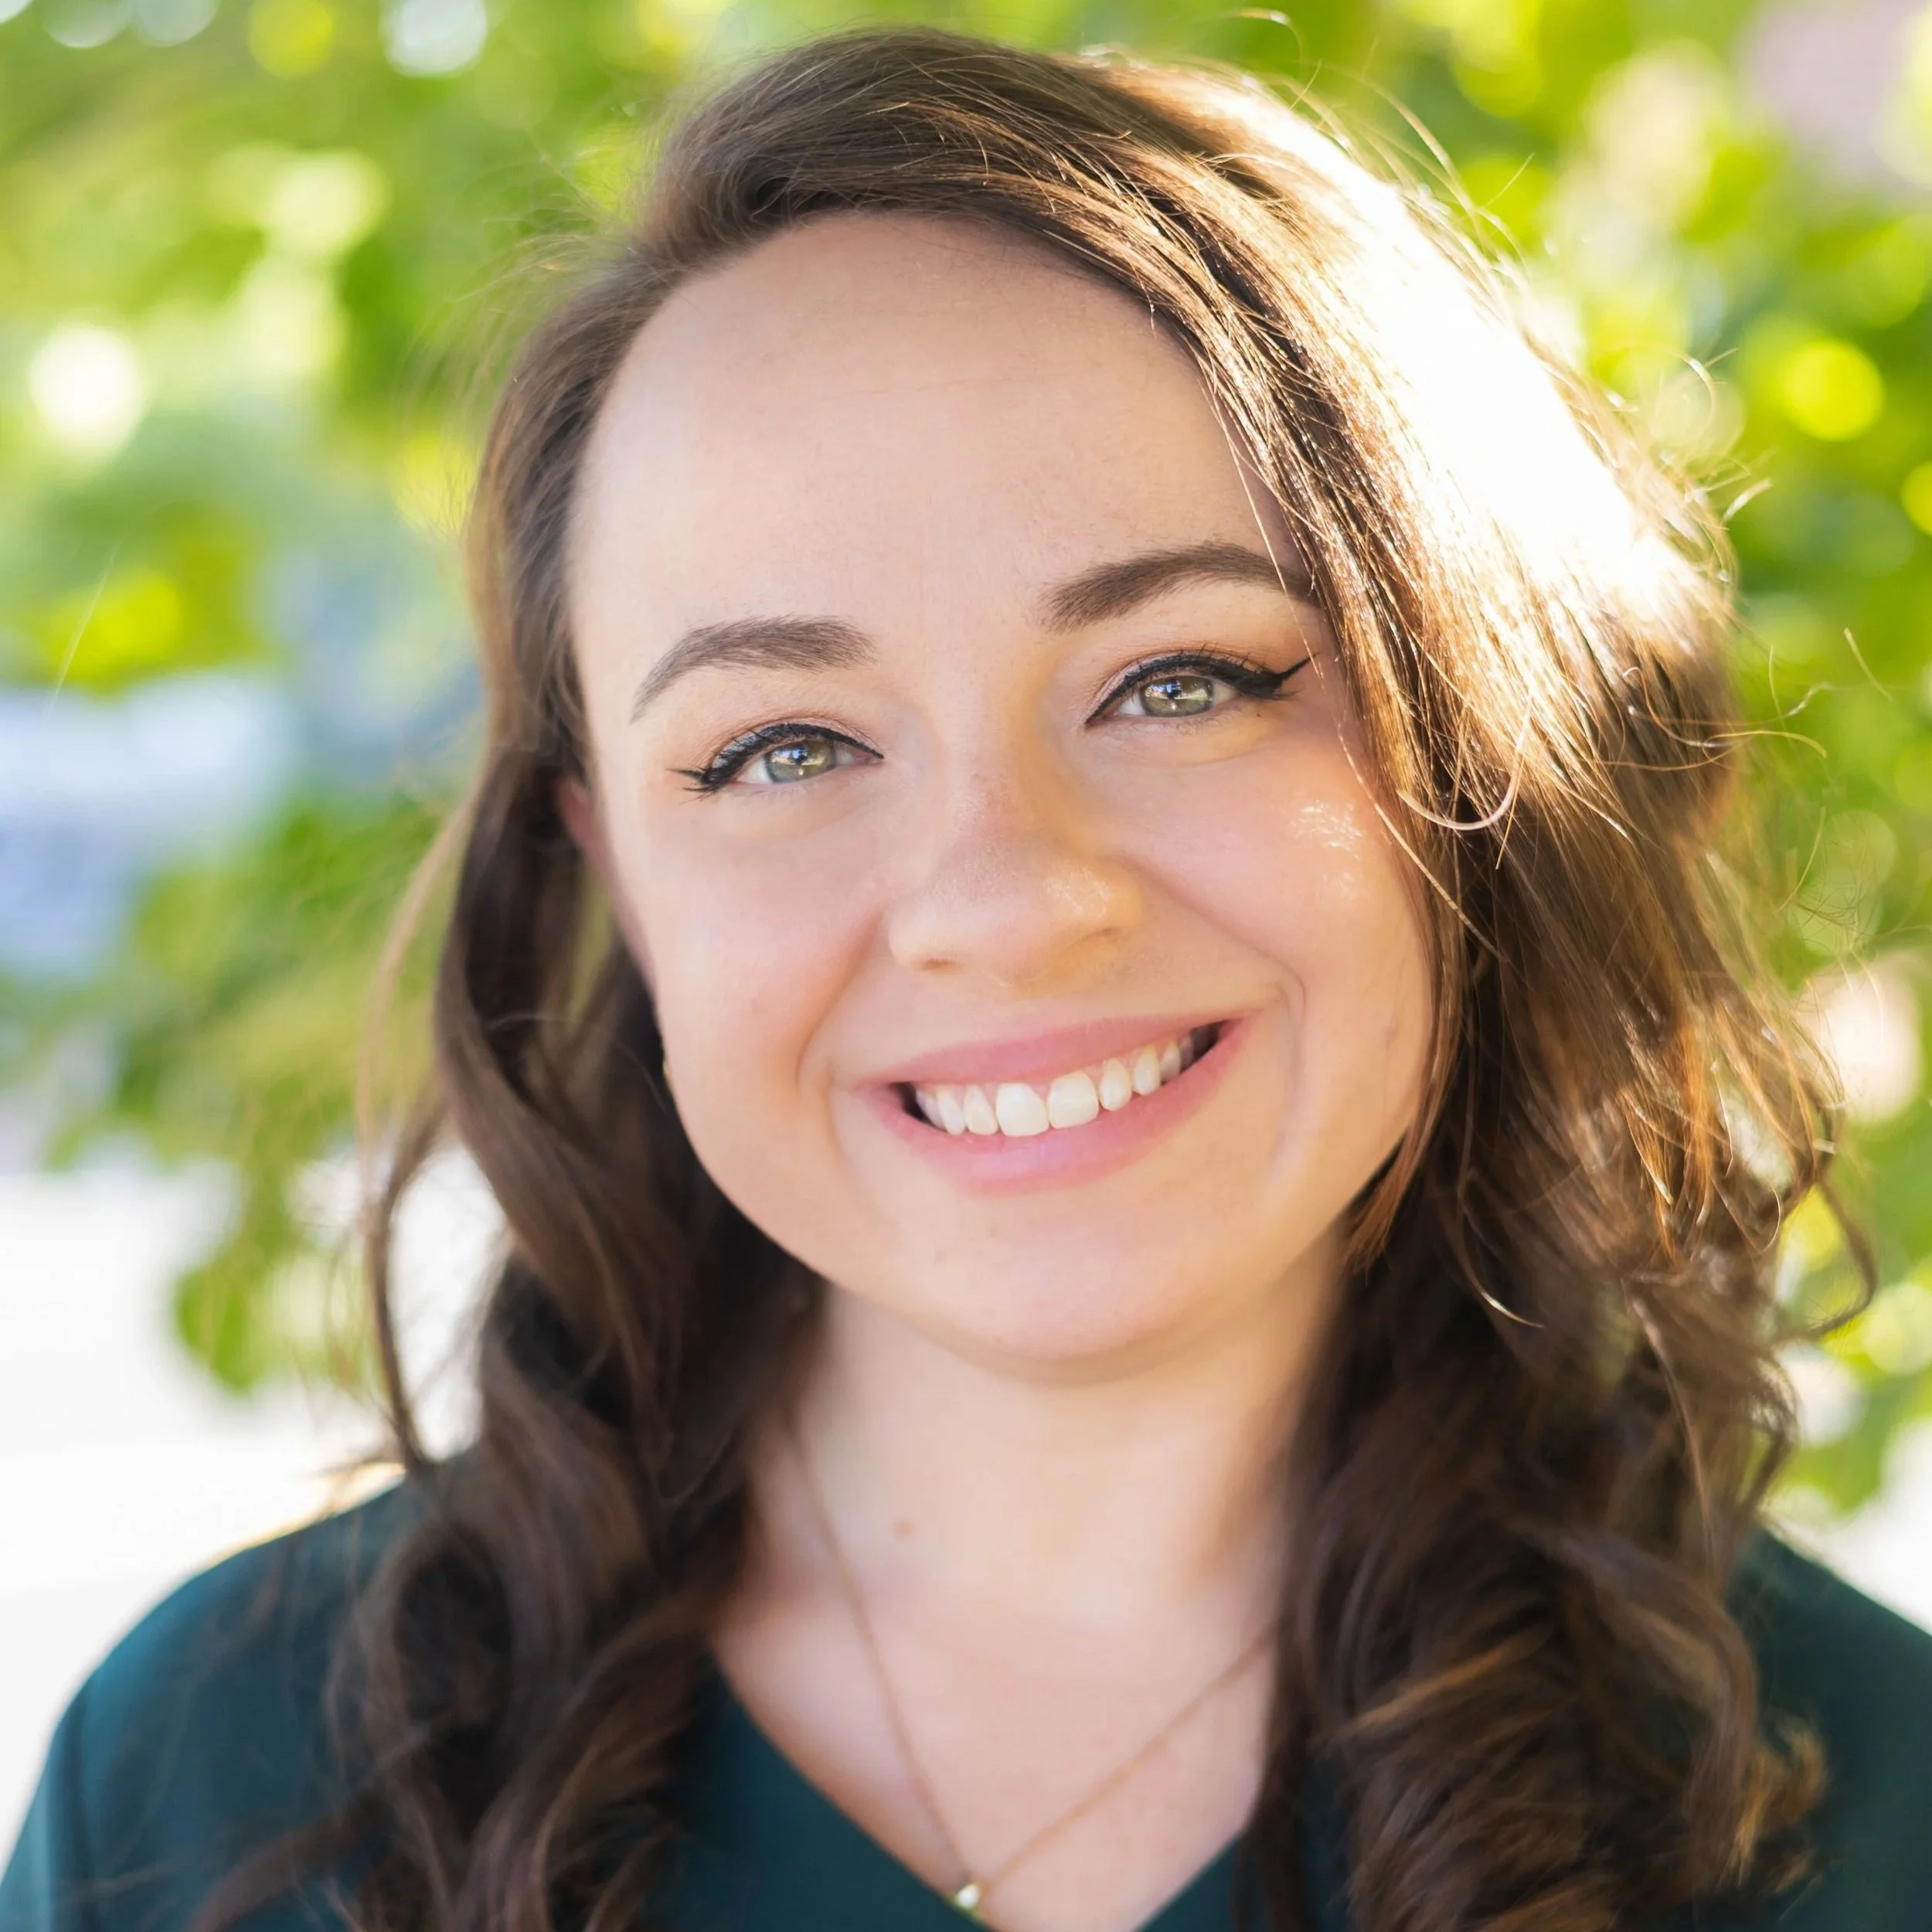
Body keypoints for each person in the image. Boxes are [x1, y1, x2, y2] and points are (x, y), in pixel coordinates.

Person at [4, 26, 1929, 1932]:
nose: (1001, 899)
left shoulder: (1873, 1812)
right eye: (780, 746)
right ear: (614, 873)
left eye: (1179, 679)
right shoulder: (210, 1781)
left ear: (1476, 745)